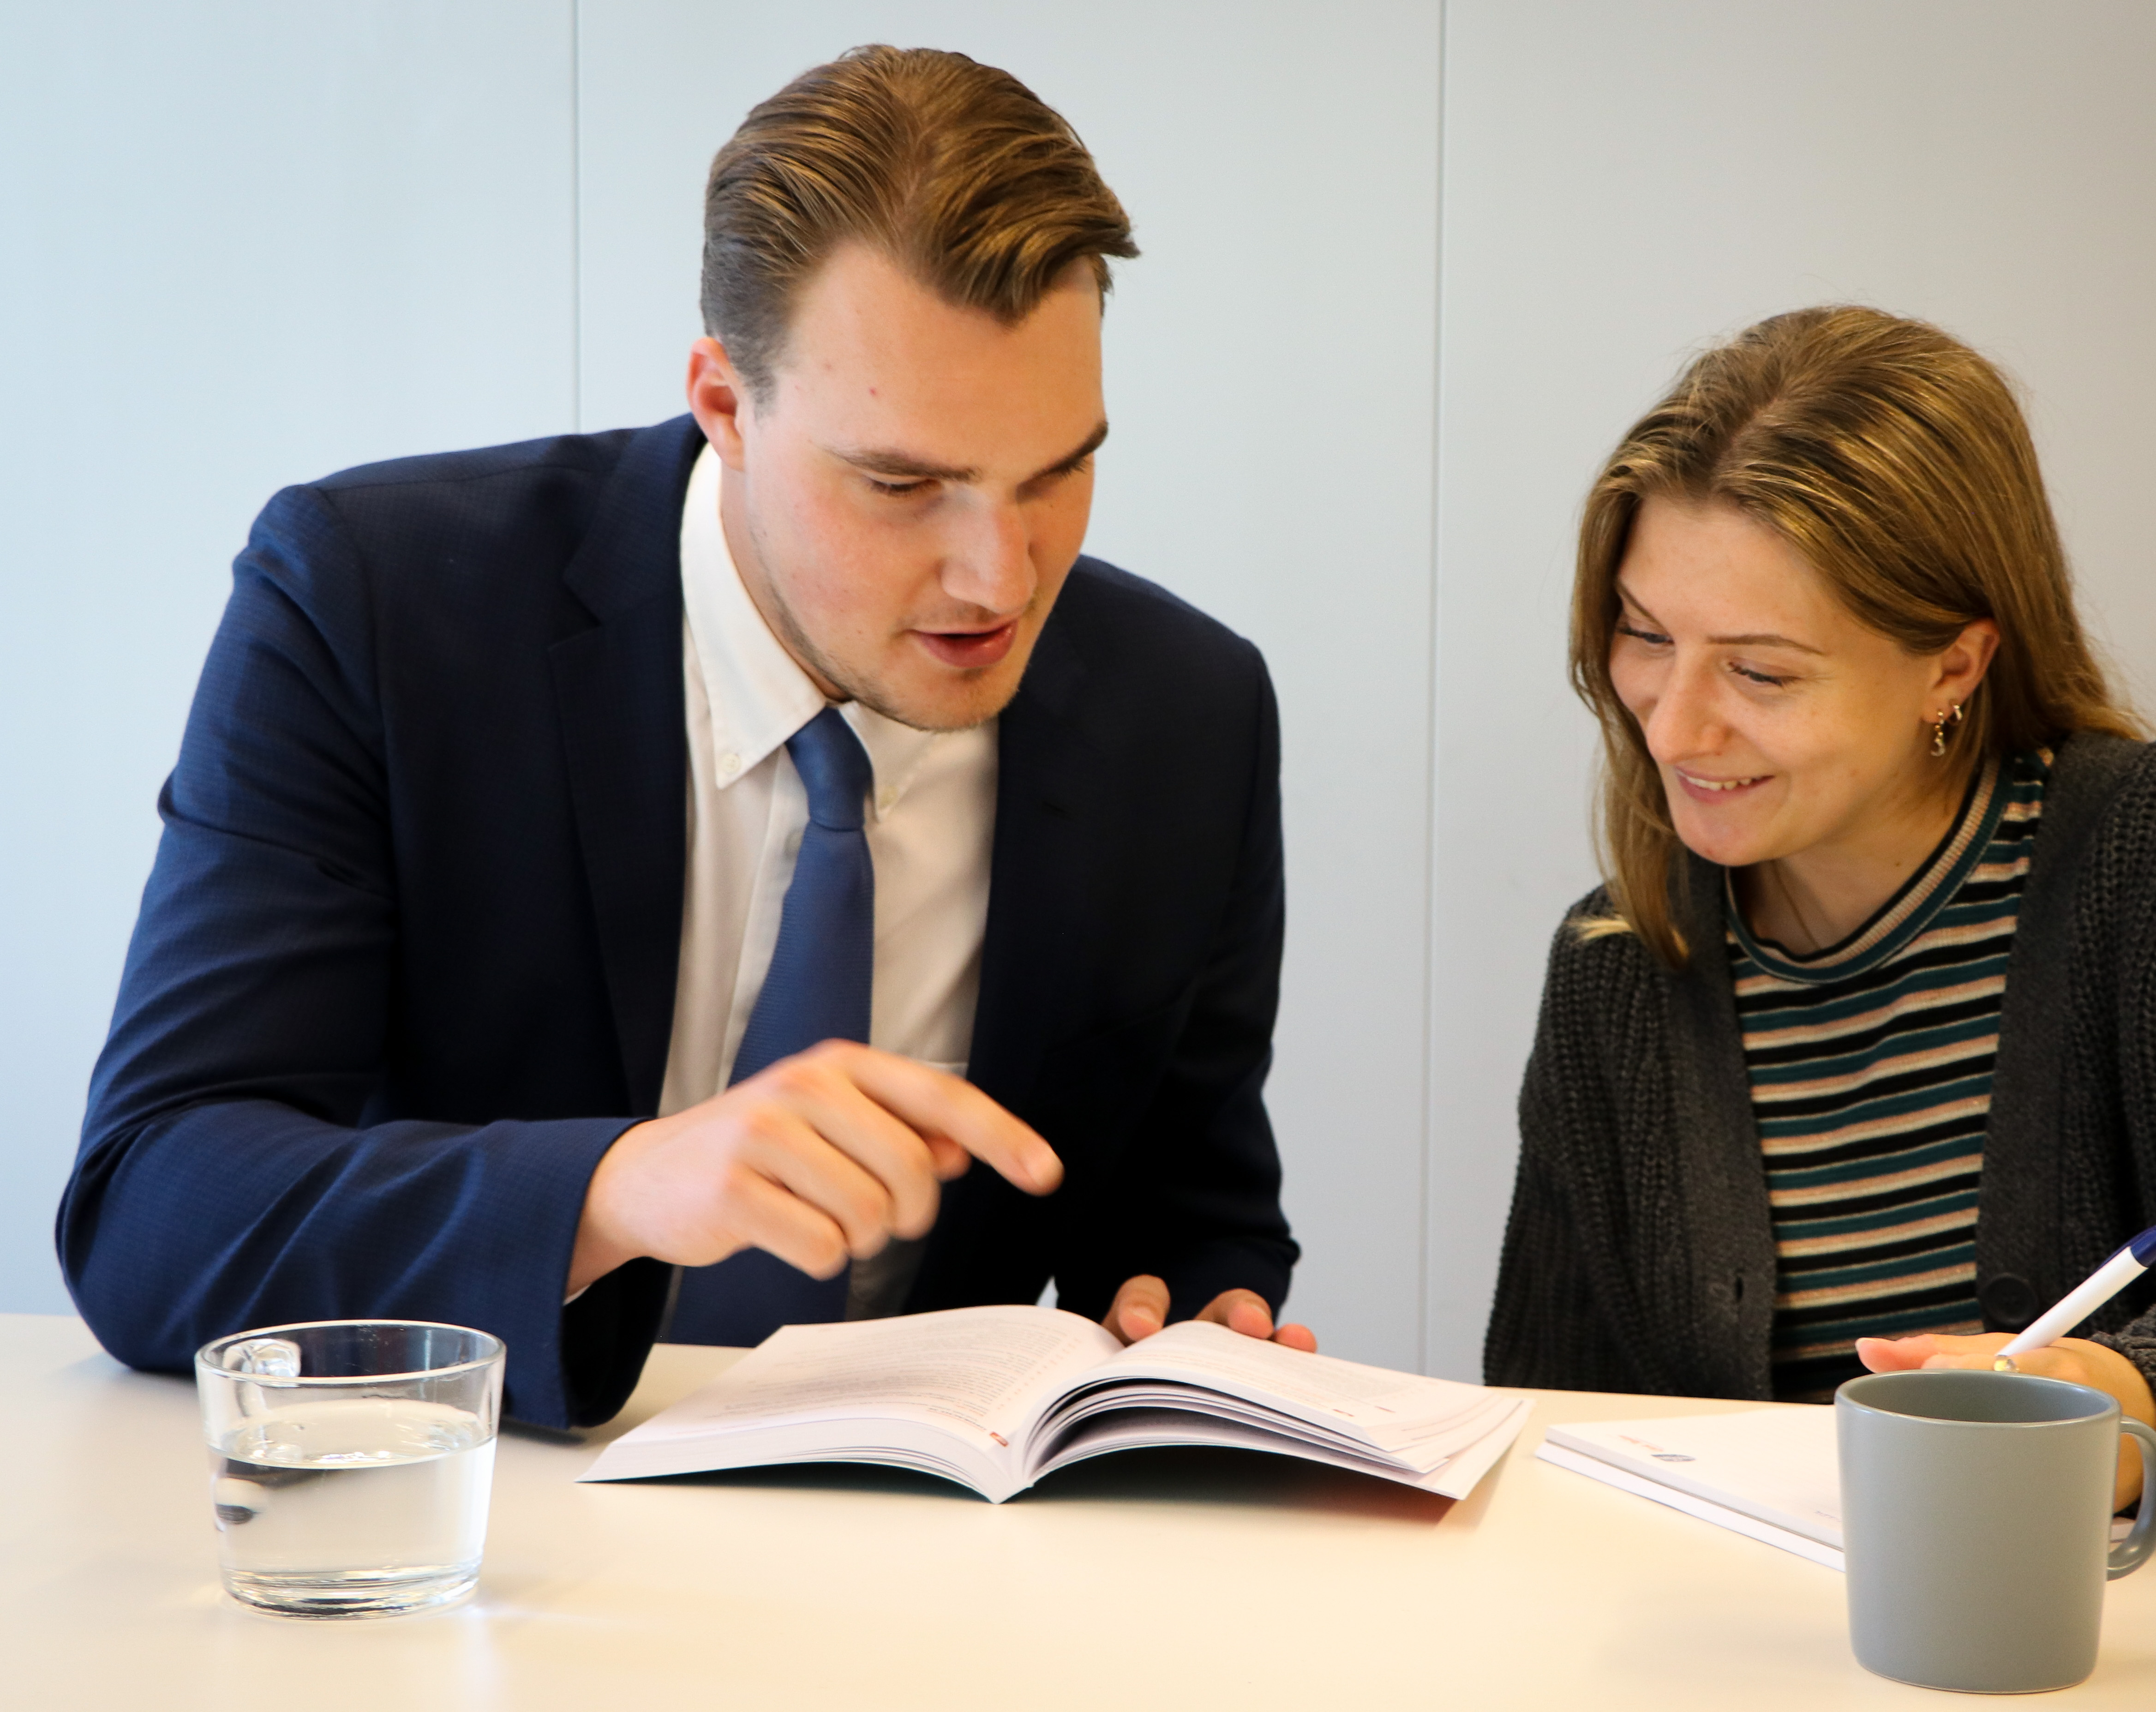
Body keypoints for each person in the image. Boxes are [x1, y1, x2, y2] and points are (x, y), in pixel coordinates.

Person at [61, 46, 1312, 1431]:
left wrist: (1191, 1311)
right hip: (465, 1522)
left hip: (924, 1564)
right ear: (724, 406)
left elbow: (1192, 1214)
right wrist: (618, 1190)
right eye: (904, 484)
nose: (1001, 581)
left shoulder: (1185, 712)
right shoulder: (376, 603)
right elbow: (151, 1209)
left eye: (1058, 470)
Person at [1484, 304, 2156, 1531]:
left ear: (1951, 667)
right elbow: (1549, 1421)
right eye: (1643, 636)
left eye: (1761, 671)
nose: (1672, 725)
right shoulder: (1619, 966)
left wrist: (2140, 1405)